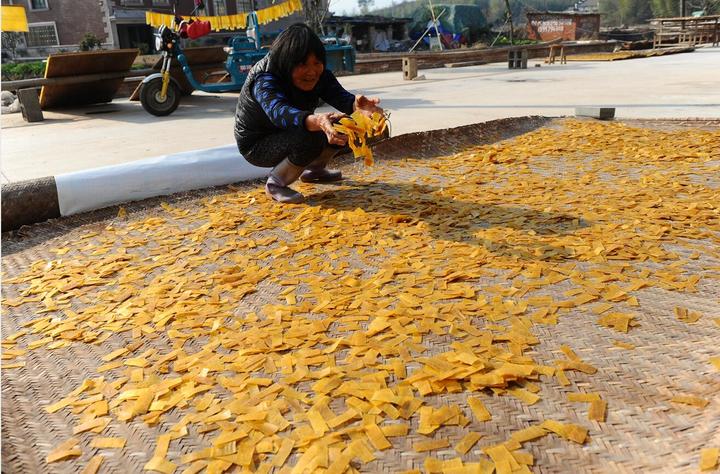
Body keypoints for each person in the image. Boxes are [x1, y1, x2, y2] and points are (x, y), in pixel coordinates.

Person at [234, 23, 383, 204]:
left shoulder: (320, 76)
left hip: (292, 131)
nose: (311, 71)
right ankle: (276, 183)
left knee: (347, 126)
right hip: (257, 144)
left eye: (317, 63)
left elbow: (342, 98)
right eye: (302, 64)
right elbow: (280, 113)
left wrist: (358, 107)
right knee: (310, 137)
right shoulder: (265, 78)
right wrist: (318, 121)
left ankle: (314, 170)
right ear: (286, 63)